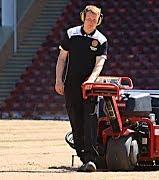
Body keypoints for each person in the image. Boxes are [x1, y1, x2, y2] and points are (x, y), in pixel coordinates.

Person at [55, 5, 107, 172]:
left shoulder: (101, 40)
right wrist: (58, 80)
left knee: (90, 121)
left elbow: (100, 63)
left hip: (90, 87)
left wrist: (91, 80)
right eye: (89, 18)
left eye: (95, 19)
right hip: (70, 85)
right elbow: (62, 58)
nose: (91, 22)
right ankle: (83, 157)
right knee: (75, 121)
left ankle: (91, 159)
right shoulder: (71, 34)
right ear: (83, 17)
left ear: (99, 20)